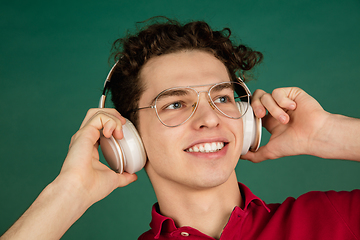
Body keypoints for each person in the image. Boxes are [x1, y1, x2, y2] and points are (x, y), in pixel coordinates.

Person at [1, 18, 359, 240]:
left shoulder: (333, 217)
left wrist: (329, 133)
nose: (209, 118)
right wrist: (68, 194)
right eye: (175, 104)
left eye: (222, 98)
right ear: (128, 135)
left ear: (247, 121)